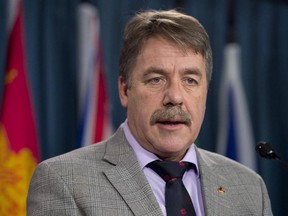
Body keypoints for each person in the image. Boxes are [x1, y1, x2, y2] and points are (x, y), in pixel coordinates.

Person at [27, 9, 273, 216]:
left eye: (190, 80)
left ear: (205, 93)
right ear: (125, 90)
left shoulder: (250, 188)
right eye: (156, 79)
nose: (175, 97)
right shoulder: (63, 182)